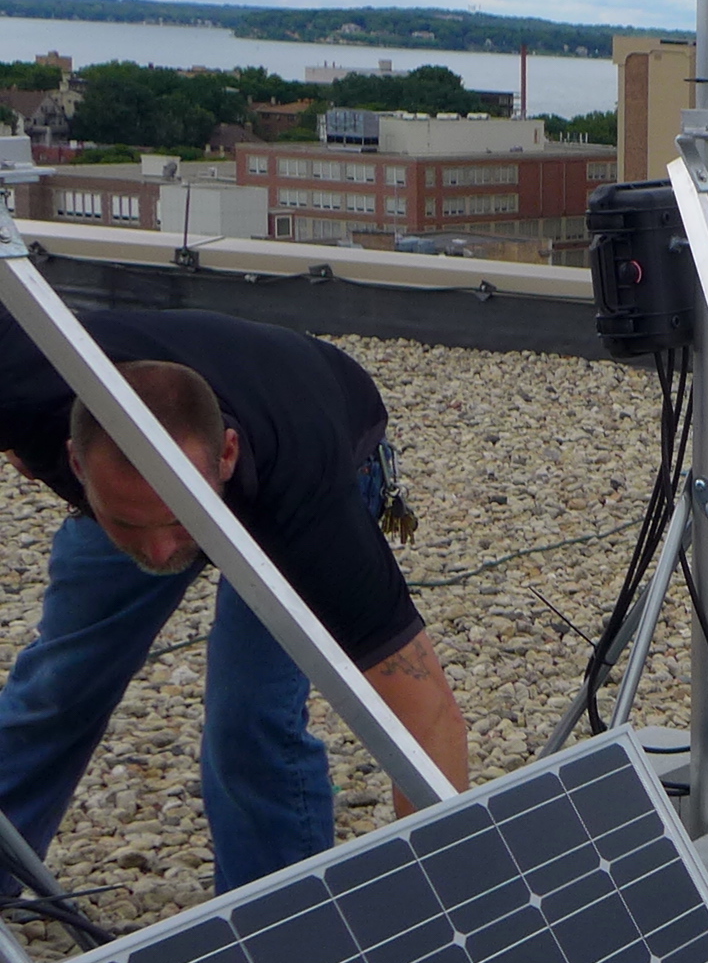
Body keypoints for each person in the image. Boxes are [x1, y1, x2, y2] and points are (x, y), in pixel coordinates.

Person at [0, 307, 470, 893]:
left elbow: (426, 717)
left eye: (179, 519)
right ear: (74, 458)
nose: (162, 548)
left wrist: (452, 910)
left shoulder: (308, 505)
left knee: (250, 717)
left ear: (224, 455)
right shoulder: (23, 383)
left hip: (302, 439)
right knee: (57, 686)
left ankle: (275, 930)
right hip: (152, 456)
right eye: (129, 522)